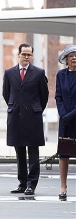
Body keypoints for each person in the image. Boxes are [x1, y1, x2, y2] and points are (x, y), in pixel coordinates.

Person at [2, 43, 49, 196]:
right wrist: (16, 107)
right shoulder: (9, 73)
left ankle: (32, 184)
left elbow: (44, 95)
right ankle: (22, 183)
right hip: (15, 116)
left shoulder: (39, 73)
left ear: (32, 56)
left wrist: (35, 109)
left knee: (33, 152)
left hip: (33, 117)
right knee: (19, 152)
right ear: (19, 55)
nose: (27, 57)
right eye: (24, 54)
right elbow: (6, 93)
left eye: (29, 54)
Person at [55, 44, 76, 200]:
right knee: (64, 154)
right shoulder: (60, 75)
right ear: (66, 59)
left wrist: (71, 114)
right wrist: (63, 114)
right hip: (65, 120)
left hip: (74, 118)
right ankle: (63, 186)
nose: (74, 58)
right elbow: (58, 96)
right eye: (71, 56)